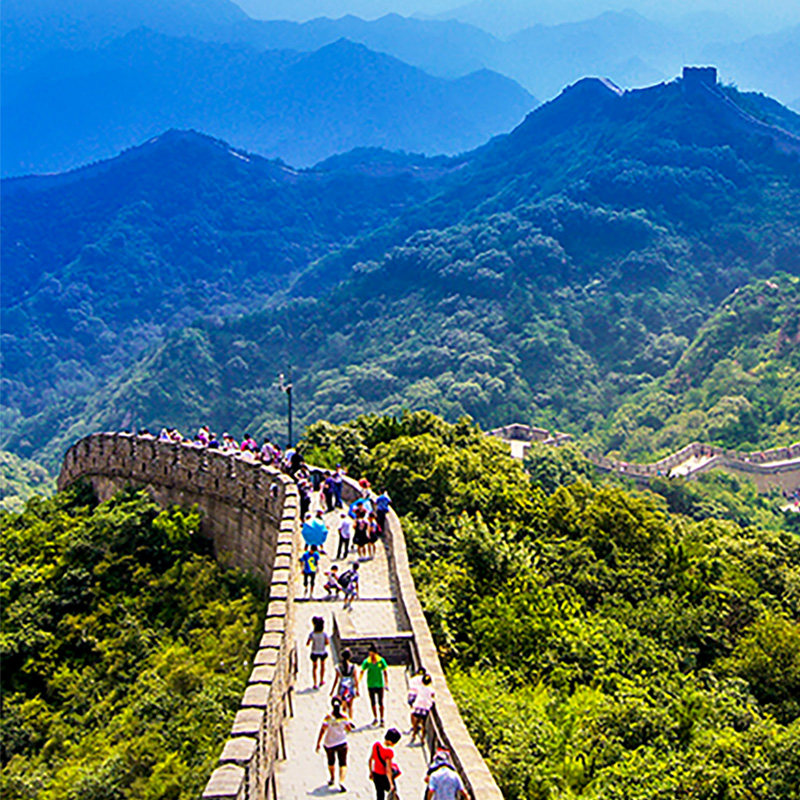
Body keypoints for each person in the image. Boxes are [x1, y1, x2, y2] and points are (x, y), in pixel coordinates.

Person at [316, 696, 354, 792]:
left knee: (331, 761)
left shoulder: (328, 717)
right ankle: (342, 781)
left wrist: (318, 743)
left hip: (329, 743)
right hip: (341, 742)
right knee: (343, 763)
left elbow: (322, 730)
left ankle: (332, 778)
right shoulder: (344, 716)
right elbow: (348, 728)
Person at [369, 728, 401, 800]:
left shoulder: (376, 745)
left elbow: (370, 759)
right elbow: (388, 769)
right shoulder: (388, 752)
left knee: (379, 794)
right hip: (384, 776)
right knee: (393, 795)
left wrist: (371, 772)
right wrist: (391, 784)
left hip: (376, 775)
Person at [361, 643, 389, 726]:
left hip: (379, 684)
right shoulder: (367, 661)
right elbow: (362, 670)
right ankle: (375, 717)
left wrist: (386, 683)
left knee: (381, 702)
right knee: (373, 702)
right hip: (371, 684)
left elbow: (385, 671)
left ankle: (382, 718)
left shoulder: (381, 661)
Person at [330, 647, 359, 717]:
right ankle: (350, 720)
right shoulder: (353, 667)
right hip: (350, 687)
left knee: (343, 706)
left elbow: (336, 680)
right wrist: (357, 689)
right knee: (350, 706)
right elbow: (355, 679)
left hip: (342, 688)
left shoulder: (339, 667)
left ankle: (344, 719)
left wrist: (332, 690)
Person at [410, 673, 435, 744]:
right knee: (423, 723)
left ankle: (414, 734)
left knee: (416, 721)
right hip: (425, 707)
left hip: (418, 706)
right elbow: (432, 695)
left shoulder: (420, 687)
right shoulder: (431, 689)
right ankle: (422, 739)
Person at [307, 615, 330, 688]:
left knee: (314, 667)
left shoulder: (312, 634)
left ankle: (315, 683)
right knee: (322, 666)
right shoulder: (324, 634)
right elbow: (327, 643)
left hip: (314, 652)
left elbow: (308, 643)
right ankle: (321, 680)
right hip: (322, 651)